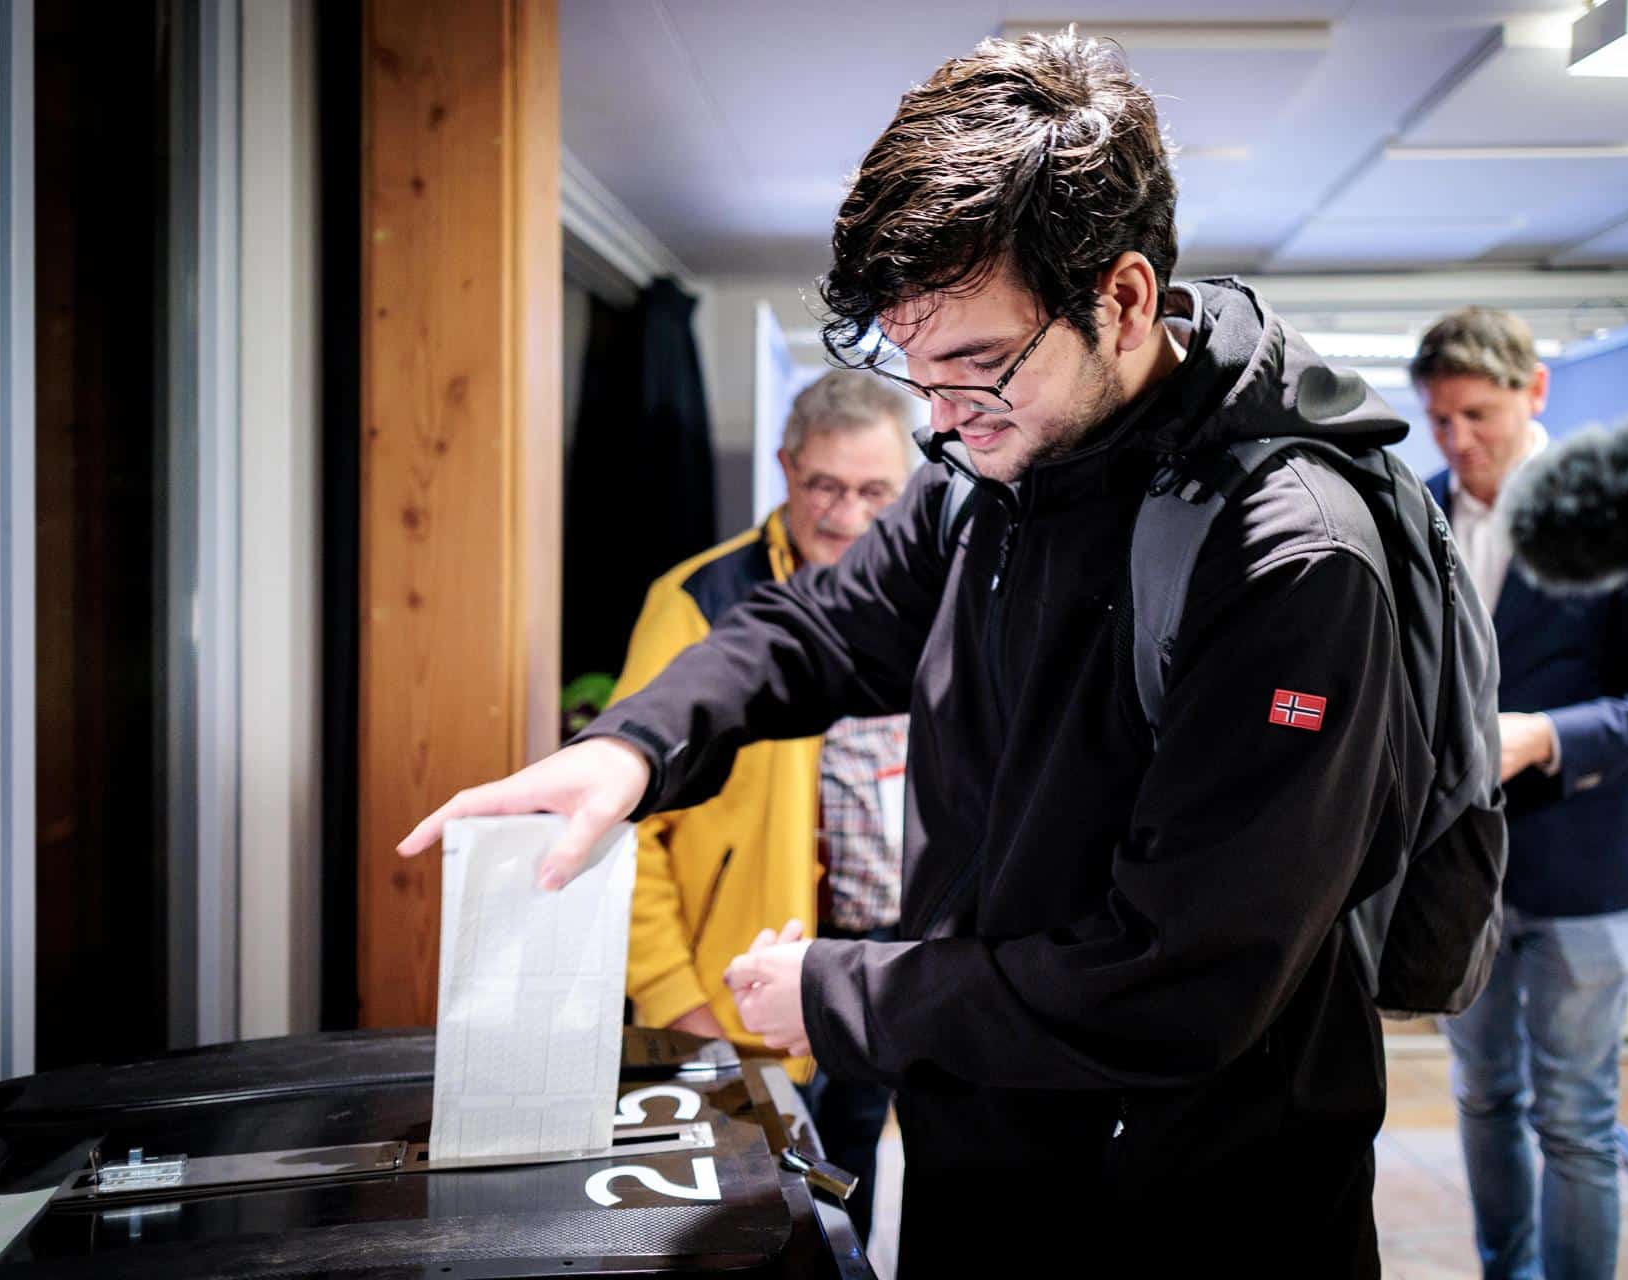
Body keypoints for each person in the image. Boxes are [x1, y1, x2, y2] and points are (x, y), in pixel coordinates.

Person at [403, 31, 1458, 1273]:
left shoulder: (1288, 557)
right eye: (919, 375)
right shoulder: (989, 470)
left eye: (973, 366)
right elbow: (821, 625)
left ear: (1120, 300)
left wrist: (839, 994)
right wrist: (631, 750)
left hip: (1201, 1202)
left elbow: (1181, 980)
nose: (941, 416)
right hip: (987, 1156)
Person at [1412, 308, 1628, 1280]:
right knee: (1485, 1093)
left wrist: (1546, 736)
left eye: (1478, 415)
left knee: (1576, 1114)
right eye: (1441, 419)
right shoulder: (1417, 506)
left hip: (1584, 866)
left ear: (1535, 391)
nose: (1459, 441)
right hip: (1460, 868)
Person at [606, 370, 914, 1239]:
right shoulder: (698, 603)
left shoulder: (935, 599)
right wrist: (676, 999)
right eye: (823, 485)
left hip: (884, 977)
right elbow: (631, 831)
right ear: (785, 468)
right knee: (746, 1228)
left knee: (849, 1198)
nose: (845, 515)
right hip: (734, 996)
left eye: (872, 491)